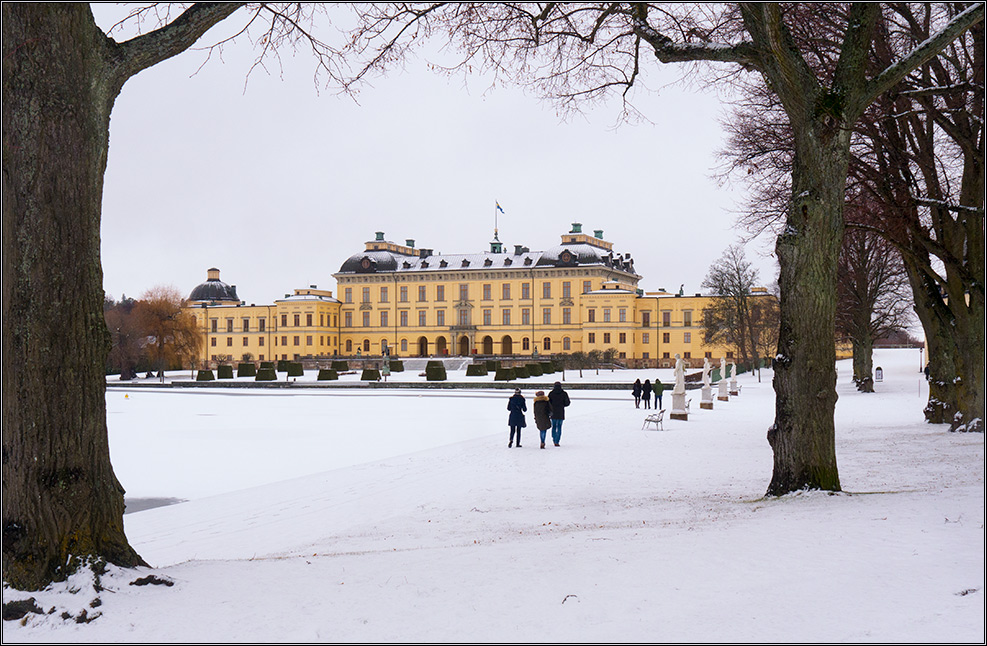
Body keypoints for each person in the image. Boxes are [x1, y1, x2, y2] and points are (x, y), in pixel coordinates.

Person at [547, 381, 570, 447]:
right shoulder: (564, 393)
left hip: (553, 412)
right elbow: (567, 403)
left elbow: (548, 403)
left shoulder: (551, 393)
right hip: (560, 412)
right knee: (559, 427)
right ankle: (557, 440)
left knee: (554, 426)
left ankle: (554, 439)